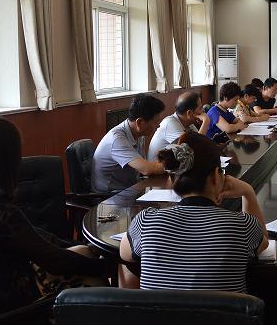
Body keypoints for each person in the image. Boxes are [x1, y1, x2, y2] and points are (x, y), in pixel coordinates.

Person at [0, 117, 112, 322]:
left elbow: (35, 237)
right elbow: (55, 262)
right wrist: (107, 267)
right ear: (4, 161)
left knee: (83, 252)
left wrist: (81, 248)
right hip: (13, 315)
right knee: (99, 286)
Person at [119, 132, 268, 291]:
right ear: (216, 176)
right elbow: (263, 242)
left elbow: (124, 255)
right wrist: (248, 192)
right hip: (221, 309)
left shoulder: (145, 221)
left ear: (172, 178)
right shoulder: (242, 226)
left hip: (160, 308)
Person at [92, 94, 166, 192]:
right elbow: (147, 169)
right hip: (111, 196)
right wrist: (176, 163)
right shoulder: (117, 140)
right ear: (139, 123)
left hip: (130, 188)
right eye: (155, 122)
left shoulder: (138, 134)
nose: (158, 126)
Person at [147, 91, 210, 160]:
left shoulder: (189, 124)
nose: (203, 111)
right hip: (158, 166)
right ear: (189, 113)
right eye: (200, 108)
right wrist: (206, 122)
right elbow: (194, 149)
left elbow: (201, 145)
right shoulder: (170, 123)